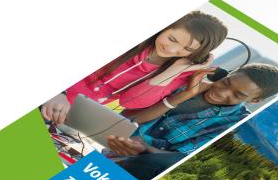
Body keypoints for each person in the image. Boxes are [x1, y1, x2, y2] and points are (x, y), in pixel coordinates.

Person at [105, 63, 278, 180]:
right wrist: (185, 93)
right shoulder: (185, 83)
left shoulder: (236, 123)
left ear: (254, 101)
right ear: (224, 74)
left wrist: (143, 147)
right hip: (112, 142)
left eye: (237, 95)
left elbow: (176, 158)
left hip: (141, 168)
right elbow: (128, 115)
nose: (222, 92)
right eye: (225, 83)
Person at [40, 11, 228, 125]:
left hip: (64, 116)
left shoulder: (178, 73)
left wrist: (174, 71)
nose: (172, 50)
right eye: (172, 39)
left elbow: (130, 102)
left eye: (187, 49)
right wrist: (59, 92)